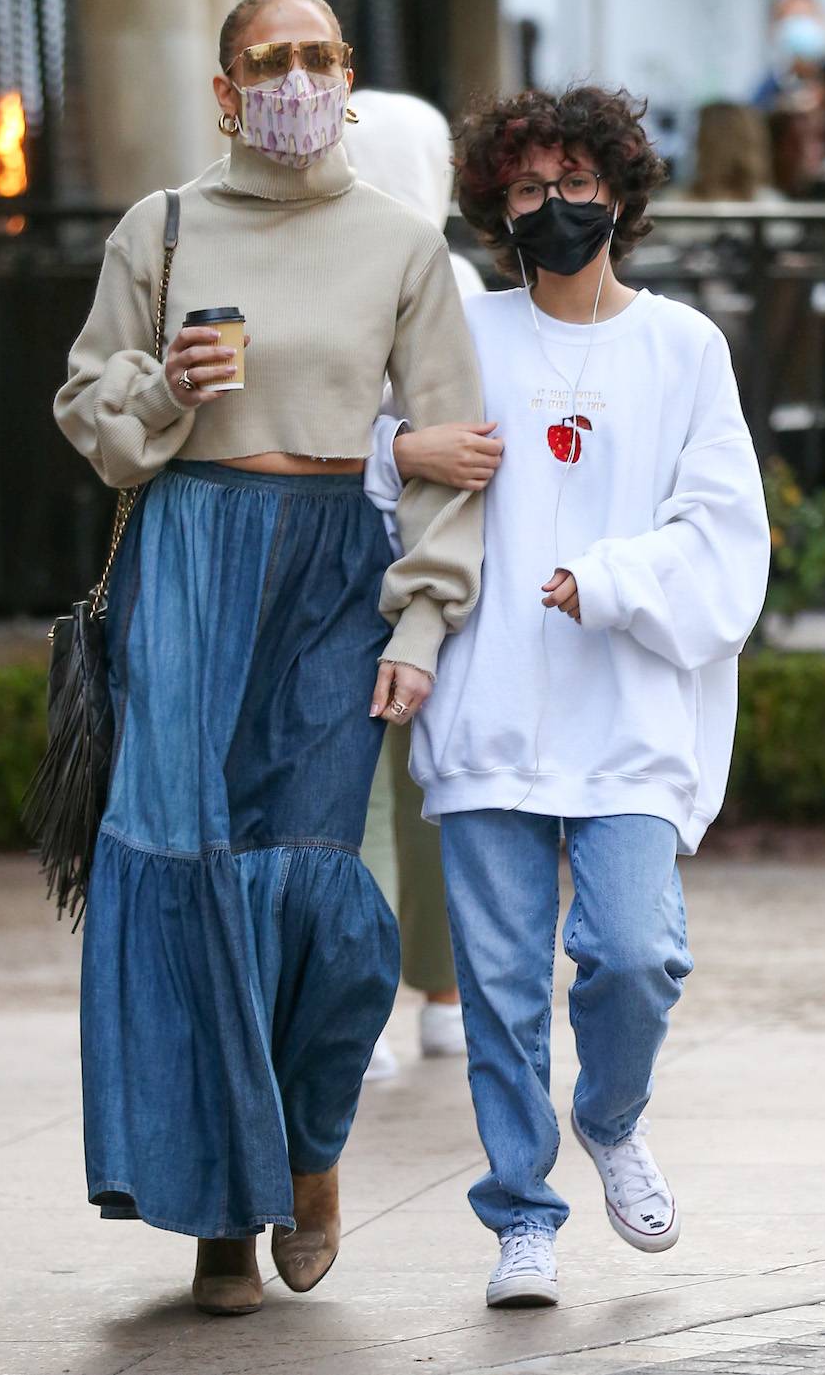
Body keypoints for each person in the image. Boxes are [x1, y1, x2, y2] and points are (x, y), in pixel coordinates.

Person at [53, 0, 485, 1317]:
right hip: (188, 558)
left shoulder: (403, 245)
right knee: (190, 877)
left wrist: (423, 612)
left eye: (320, 55)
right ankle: (219, 1219)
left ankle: (307, 1144)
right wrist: (164, 389)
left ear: (346, 79)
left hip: (331, 578)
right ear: (228, 91)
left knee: (321, 890)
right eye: (270, 60)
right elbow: (87, 403)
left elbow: (453, 457)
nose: (298, 79)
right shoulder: (163, 225)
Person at [408, 86, 770, 1308]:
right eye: (524, 189)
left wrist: (607, 581)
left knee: (635, 954)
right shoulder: (467, 337)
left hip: (626, 718)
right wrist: (403, 452)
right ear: (493, 207)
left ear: (617, 191)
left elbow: (724, 534)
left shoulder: (682, 348)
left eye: (571, 183)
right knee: (501, 988)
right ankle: (522, 1213)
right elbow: (376, 464)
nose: (551, 207)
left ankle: (609, 1117)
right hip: (488, 708)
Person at [346, 89, 499, 1076]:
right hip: (449, 552)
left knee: (350, 789)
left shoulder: (345, 266)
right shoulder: (463, 278)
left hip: (343, 547)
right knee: (436, 779)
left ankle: (354, 1011)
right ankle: (444, 997)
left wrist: (387, 449)